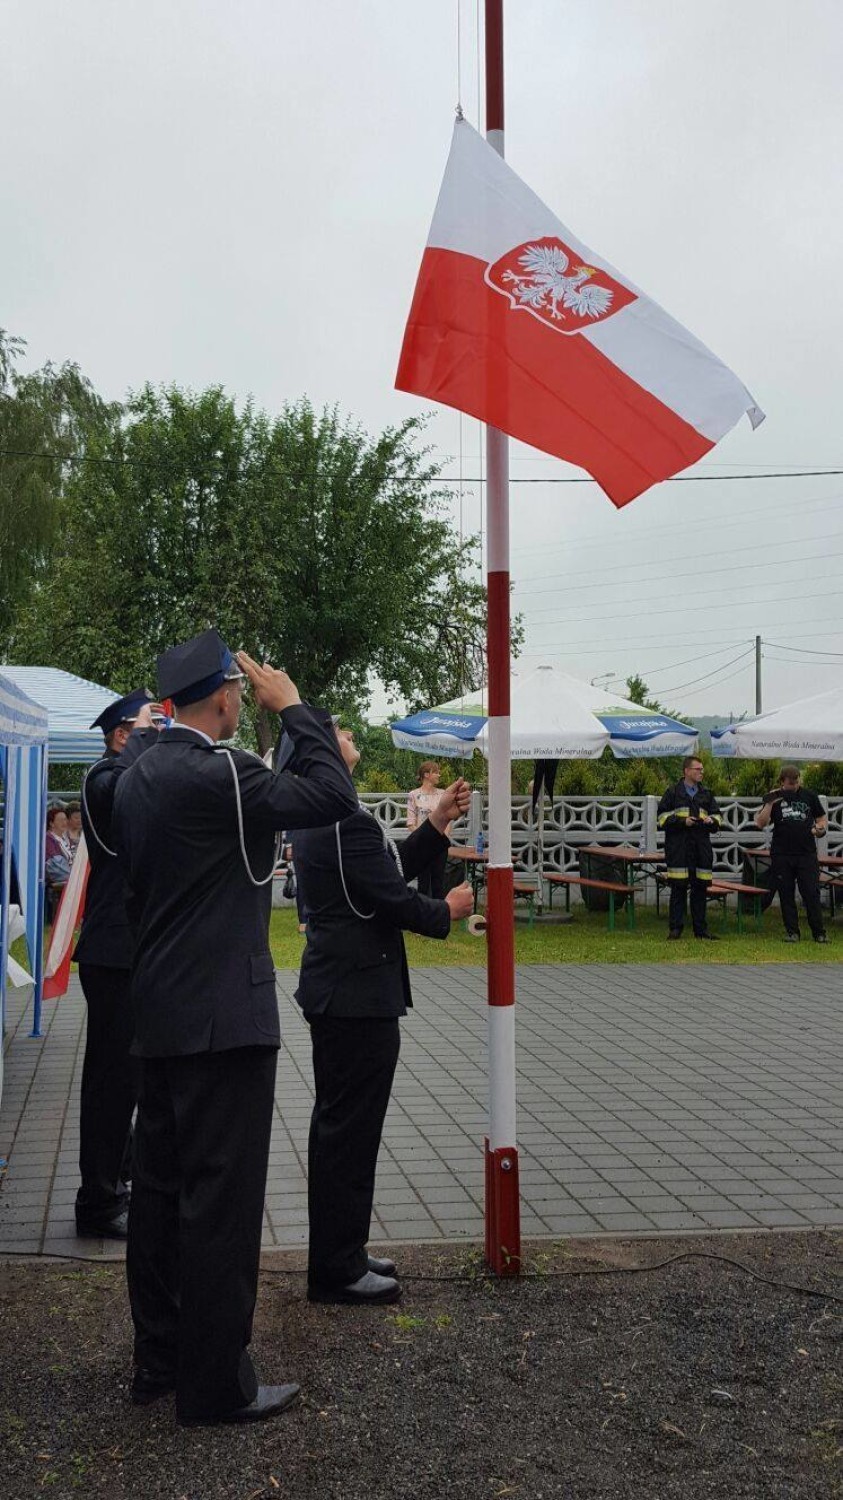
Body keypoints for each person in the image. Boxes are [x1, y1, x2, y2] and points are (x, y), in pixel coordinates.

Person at [111, 631, 357, 1427]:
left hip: (158, 1010)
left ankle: (160, 1360)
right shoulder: (220, 771)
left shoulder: (139, 772)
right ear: (223, 696)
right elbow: (330, 798)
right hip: (223, 1018)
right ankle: (216, 1383)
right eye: (239, 692)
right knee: (219, 1204)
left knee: (157, 1194)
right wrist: (294, 710)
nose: (242, 699)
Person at [293, 725, 474, 1306]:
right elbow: (390, 896)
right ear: (324, 753)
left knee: (344, 1130)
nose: (347, 733)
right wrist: (444, 910)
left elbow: (387, 862)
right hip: (355, 999)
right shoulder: (345, 820)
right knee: (348, 1133)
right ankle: (336, 1269)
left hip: (341, 994)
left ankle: (342, 1251)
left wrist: (438, 821)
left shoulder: (328, 817)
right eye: (337, 731)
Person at [74, 690, 160, 1240]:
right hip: (111, 954)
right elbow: (120, 793)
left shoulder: (126, 773)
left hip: (127, 950)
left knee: (127, 1078)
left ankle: (119, 1175)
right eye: (149, 727)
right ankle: (98, 1201)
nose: (159, 735)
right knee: (109, 1084)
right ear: (121, 735)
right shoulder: (103, 777)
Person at [755, 765, 828, 943]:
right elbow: (760, 823)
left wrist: (820, 829)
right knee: (786, 894)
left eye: (796, 782)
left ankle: (819, 933)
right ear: (782, 782)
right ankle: (792, 932)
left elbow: (821, 819)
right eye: (790, 783)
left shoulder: (809, 796)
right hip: (782, 854)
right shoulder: (775, 798)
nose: (794, 786)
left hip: (806, 854)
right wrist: (770, 803)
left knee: (811, 892)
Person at [657, 756, 722, 941]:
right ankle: (675, 929)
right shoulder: (672, 793)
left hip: (701, 848)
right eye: (697, 769)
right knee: (678, 888)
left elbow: (718, 816)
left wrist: (712, 820)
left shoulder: (706, 794)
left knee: (700, 889)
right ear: (686, 771)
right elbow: (661, 818)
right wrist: (682, 821)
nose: (701, 772)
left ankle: (700, 930)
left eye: (702, 769)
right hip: (679, 848)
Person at [406, 760, 449, 898]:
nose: (439, 775)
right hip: (422, 845)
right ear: (426, 775)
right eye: (435, 772)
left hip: (440, 846)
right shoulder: (414, 795)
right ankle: (422, 917)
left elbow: (448, 819)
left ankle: (440, 916)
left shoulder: (443, 794)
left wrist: (443, 838)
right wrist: (424, 838)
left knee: (439, 883)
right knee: (423, 884)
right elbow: (411, 822)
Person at [44, 804, 71, 922]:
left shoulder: (63, 838)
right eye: (61, 820)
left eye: (65, 819)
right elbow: (55, 866)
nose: (64, 822)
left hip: (67, 872)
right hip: (58, 875)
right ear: (51, 823)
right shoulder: (49, 839)